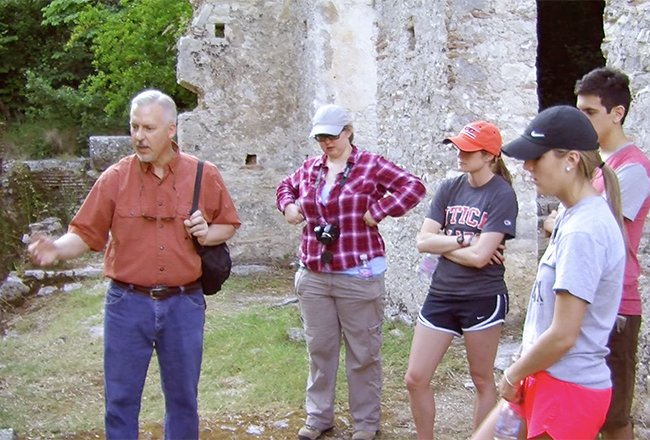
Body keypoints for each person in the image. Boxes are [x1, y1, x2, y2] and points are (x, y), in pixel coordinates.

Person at [27, 89, 240, 439]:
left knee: (183, 400)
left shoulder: (204, 174)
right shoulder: (115, 177)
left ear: (171, 130)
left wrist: (207, 231)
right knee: (121, 402)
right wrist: (57, 250)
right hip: (127, 304)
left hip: (184, 304)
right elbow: (83, 231)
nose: (139, 137)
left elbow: (228, 224)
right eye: (134, 127)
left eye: (148, 128)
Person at [472, 105, 626, 440]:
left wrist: (512, 374)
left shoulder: (583, 231)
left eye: (536, 158)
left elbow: (563, 334)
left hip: (566, 390)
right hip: (542, 377)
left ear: (570, 159)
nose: (527, 167)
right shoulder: (574, 216)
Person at [276, 104, 426, 440]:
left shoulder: (370, 165)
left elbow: (413, 187)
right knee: (320, 350)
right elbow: (284, 187)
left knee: (362, 353)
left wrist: (379, 210)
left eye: (331, 136)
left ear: (348, 131)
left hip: (359, 275)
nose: (326, 143)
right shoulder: (311, 168)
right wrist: (289, 206)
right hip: (314, 273)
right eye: (320, 137)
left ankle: (365, 423)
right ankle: (318, 418)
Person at [404, 120, 518, 439]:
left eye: (468, 150)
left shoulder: (502, 194)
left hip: (482, 296)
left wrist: (446, 242)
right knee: (415, 377)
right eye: (458, 147)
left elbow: (482, 259)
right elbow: (422, 241)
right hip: (442, 293)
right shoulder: (450, 187)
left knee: (482, 379)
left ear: (488, 156)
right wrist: (466, 241)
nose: (459, 154)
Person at [575, 67, 650, 440]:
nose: (583, 120)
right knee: (581, 404)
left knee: (615, 415)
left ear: (616, 113)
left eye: (590, 112)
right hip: (584, 295)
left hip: (618, 301)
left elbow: (597, 230)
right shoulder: (593, 163)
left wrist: (564, 219)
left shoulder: (633, 167)